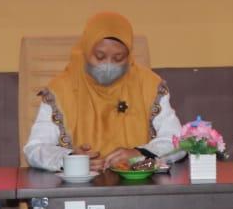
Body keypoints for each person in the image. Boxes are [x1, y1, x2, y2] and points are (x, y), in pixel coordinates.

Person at [23, 11, 182, 172]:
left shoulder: (149, 85)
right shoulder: (61, 89)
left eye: (118, 58)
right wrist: (71, 159)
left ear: (129, 56)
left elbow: (178, 142)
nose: (108, 65)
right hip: (77, 185)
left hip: (139, 183)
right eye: (99, 56)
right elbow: (35, 149)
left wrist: (141, 153)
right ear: (86, 51)